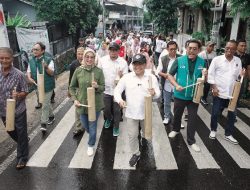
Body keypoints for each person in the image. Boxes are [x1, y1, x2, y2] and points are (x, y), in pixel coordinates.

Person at [114, 54, 160, 167]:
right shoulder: (127, 77)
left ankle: (144, 144)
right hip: (131, 113)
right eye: (135, 64)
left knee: (146, 135)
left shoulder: (151, 78)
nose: (138, 66)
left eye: (140, 64)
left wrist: (154, 93)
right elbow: (117, 91)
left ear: (145, 65)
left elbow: (158, 94)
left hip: (146, 113)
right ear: (132, 65)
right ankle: (136, 153)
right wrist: (120, 100)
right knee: (132, 135)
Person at [167, 39, 206, 152]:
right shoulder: (179, 60)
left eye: (195, 49)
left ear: (198, 50)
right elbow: (169, 75)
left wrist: (205, 75)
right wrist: (176, 85)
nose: (192, 51)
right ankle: (175, 129)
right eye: (190, 48)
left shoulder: (202, 62)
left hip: (194, 96)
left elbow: (203, 80)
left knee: (193, 118)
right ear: (186, 48)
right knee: (178, 114)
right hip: (180, 94)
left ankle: (191, 141)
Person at [208, 40, 245, 144]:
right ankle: (213, 130)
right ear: (225, 48)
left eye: (232, 49)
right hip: (218, 92)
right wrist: (214, 87)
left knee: (232, 115)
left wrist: (241, 75)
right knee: (215, 113)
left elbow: (238, 76)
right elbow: (210, 75)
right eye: (227, 48)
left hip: (232, 94)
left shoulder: (238, 61)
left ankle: (228, 134)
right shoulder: (217, 60)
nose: (229, 50)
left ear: (235, 50)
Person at [69, 48, 105, 156]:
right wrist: (75, 99)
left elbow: (103, 87)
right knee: (86, 125)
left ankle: (90, 145)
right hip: (82, 104)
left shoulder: (98, 71)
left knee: (92, 126)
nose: (89, 59)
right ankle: (91, 135)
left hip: (95, 104)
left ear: (95, 58)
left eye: (92, 57)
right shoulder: (78, 70)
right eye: (87, 57)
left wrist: (97, 86)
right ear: (84, 58)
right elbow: (72, 87)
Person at [0, 47, 29, 170]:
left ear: (12, 59)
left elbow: (25, 91)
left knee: (21, 133)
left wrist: (18, 95)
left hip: (18, 110)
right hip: (3, 111)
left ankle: (22, 158)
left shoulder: (19, 74)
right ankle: (24, 142)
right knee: (10, 131)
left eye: (7, 58)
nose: (4, 60)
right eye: (1, 58)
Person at [98, 42, 128, 136]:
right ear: (108, 50)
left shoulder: (123, 62)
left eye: (115, 50)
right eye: (111, 50)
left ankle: (116, 127)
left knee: (117, 110)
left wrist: (121, 75)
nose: (113, 52)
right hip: (106, 90)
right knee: (106, 109)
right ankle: (109, 119)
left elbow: (126, 77)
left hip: (118, 91)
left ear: (119, 51)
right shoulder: (103, 60)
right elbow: (98, 73)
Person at [27, 42, 56, 132]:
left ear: (42, 51)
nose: (34, 51)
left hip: (48, 86)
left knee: (44, 104)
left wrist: (46, 67)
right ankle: (51, 116)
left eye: (36, 49)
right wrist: (29, 78)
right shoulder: (31, 60)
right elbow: (28, 71)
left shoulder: (48, 59)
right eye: (33, 49)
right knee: (45, 103)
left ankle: (43, 123)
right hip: (38, 86)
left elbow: (52, 73)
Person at [156, 41, 181, 124]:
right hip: (167, 84)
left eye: (175, 49)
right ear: (167, 49)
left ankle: (178, 120)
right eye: (171, 49)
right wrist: (166, 75)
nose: (173, 51)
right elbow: (158, 71)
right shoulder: (163, 58)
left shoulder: (181, 58)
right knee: (167, 102)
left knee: (178, 104)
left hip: (178, 84)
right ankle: (167, 116)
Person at [68, 47, 85, 137]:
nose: (80, 56)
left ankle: (88, 123)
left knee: (87, 108)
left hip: (88, 90)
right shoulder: (73, 64)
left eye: (82, 54)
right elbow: (71, 78)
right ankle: (79, 128)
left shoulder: (89, 63)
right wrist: (69, 90)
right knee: (78, 109)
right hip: (78, 90)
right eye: (78, 54)